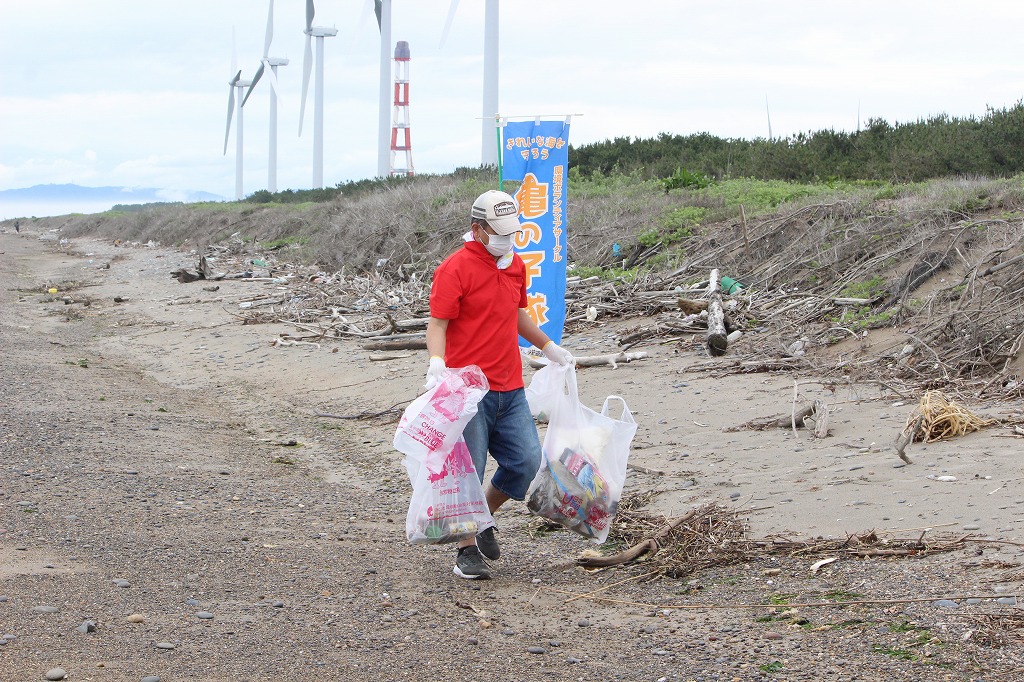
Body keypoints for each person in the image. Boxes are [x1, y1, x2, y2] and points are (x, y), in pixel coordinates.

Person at [425, 189, 573, 580]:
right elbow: (438, 323)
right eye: (500, 233)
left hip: (510, 386)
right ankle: (466, 551)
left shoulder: (514, 265)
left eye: (512, 233)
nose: (508, 241)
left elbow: (516, 314)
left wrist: (549, 346)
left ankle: (483, 515)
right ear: (478, 229)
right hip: (468, 389)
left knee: (524, 462)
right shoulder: (454, 269)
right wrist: (437, 363)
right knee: (469, 470)